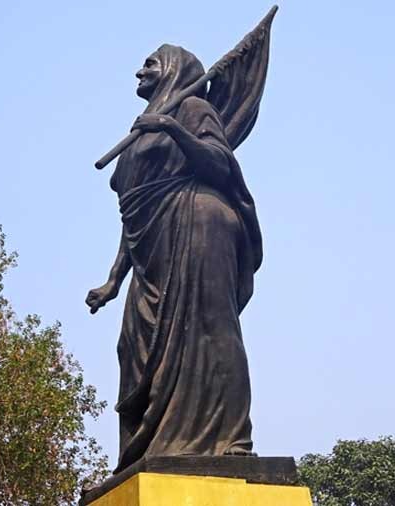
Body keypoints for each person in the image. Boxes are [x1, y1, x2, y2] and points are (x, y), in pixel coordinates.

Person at [85, 44, 263, 474]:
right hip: (152, 248)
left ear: (171, 71)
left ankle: (232, 441)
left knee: (209, 327)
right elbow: (133, 215)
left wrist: (171, 127)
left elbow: (220, 165)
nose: (138, 71)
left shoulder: (193, 108)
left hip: (198, 223)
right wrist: (113, 280)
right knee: (133, 347)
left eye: (149, 64)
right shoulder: (139, 135)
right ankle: (147, 449)